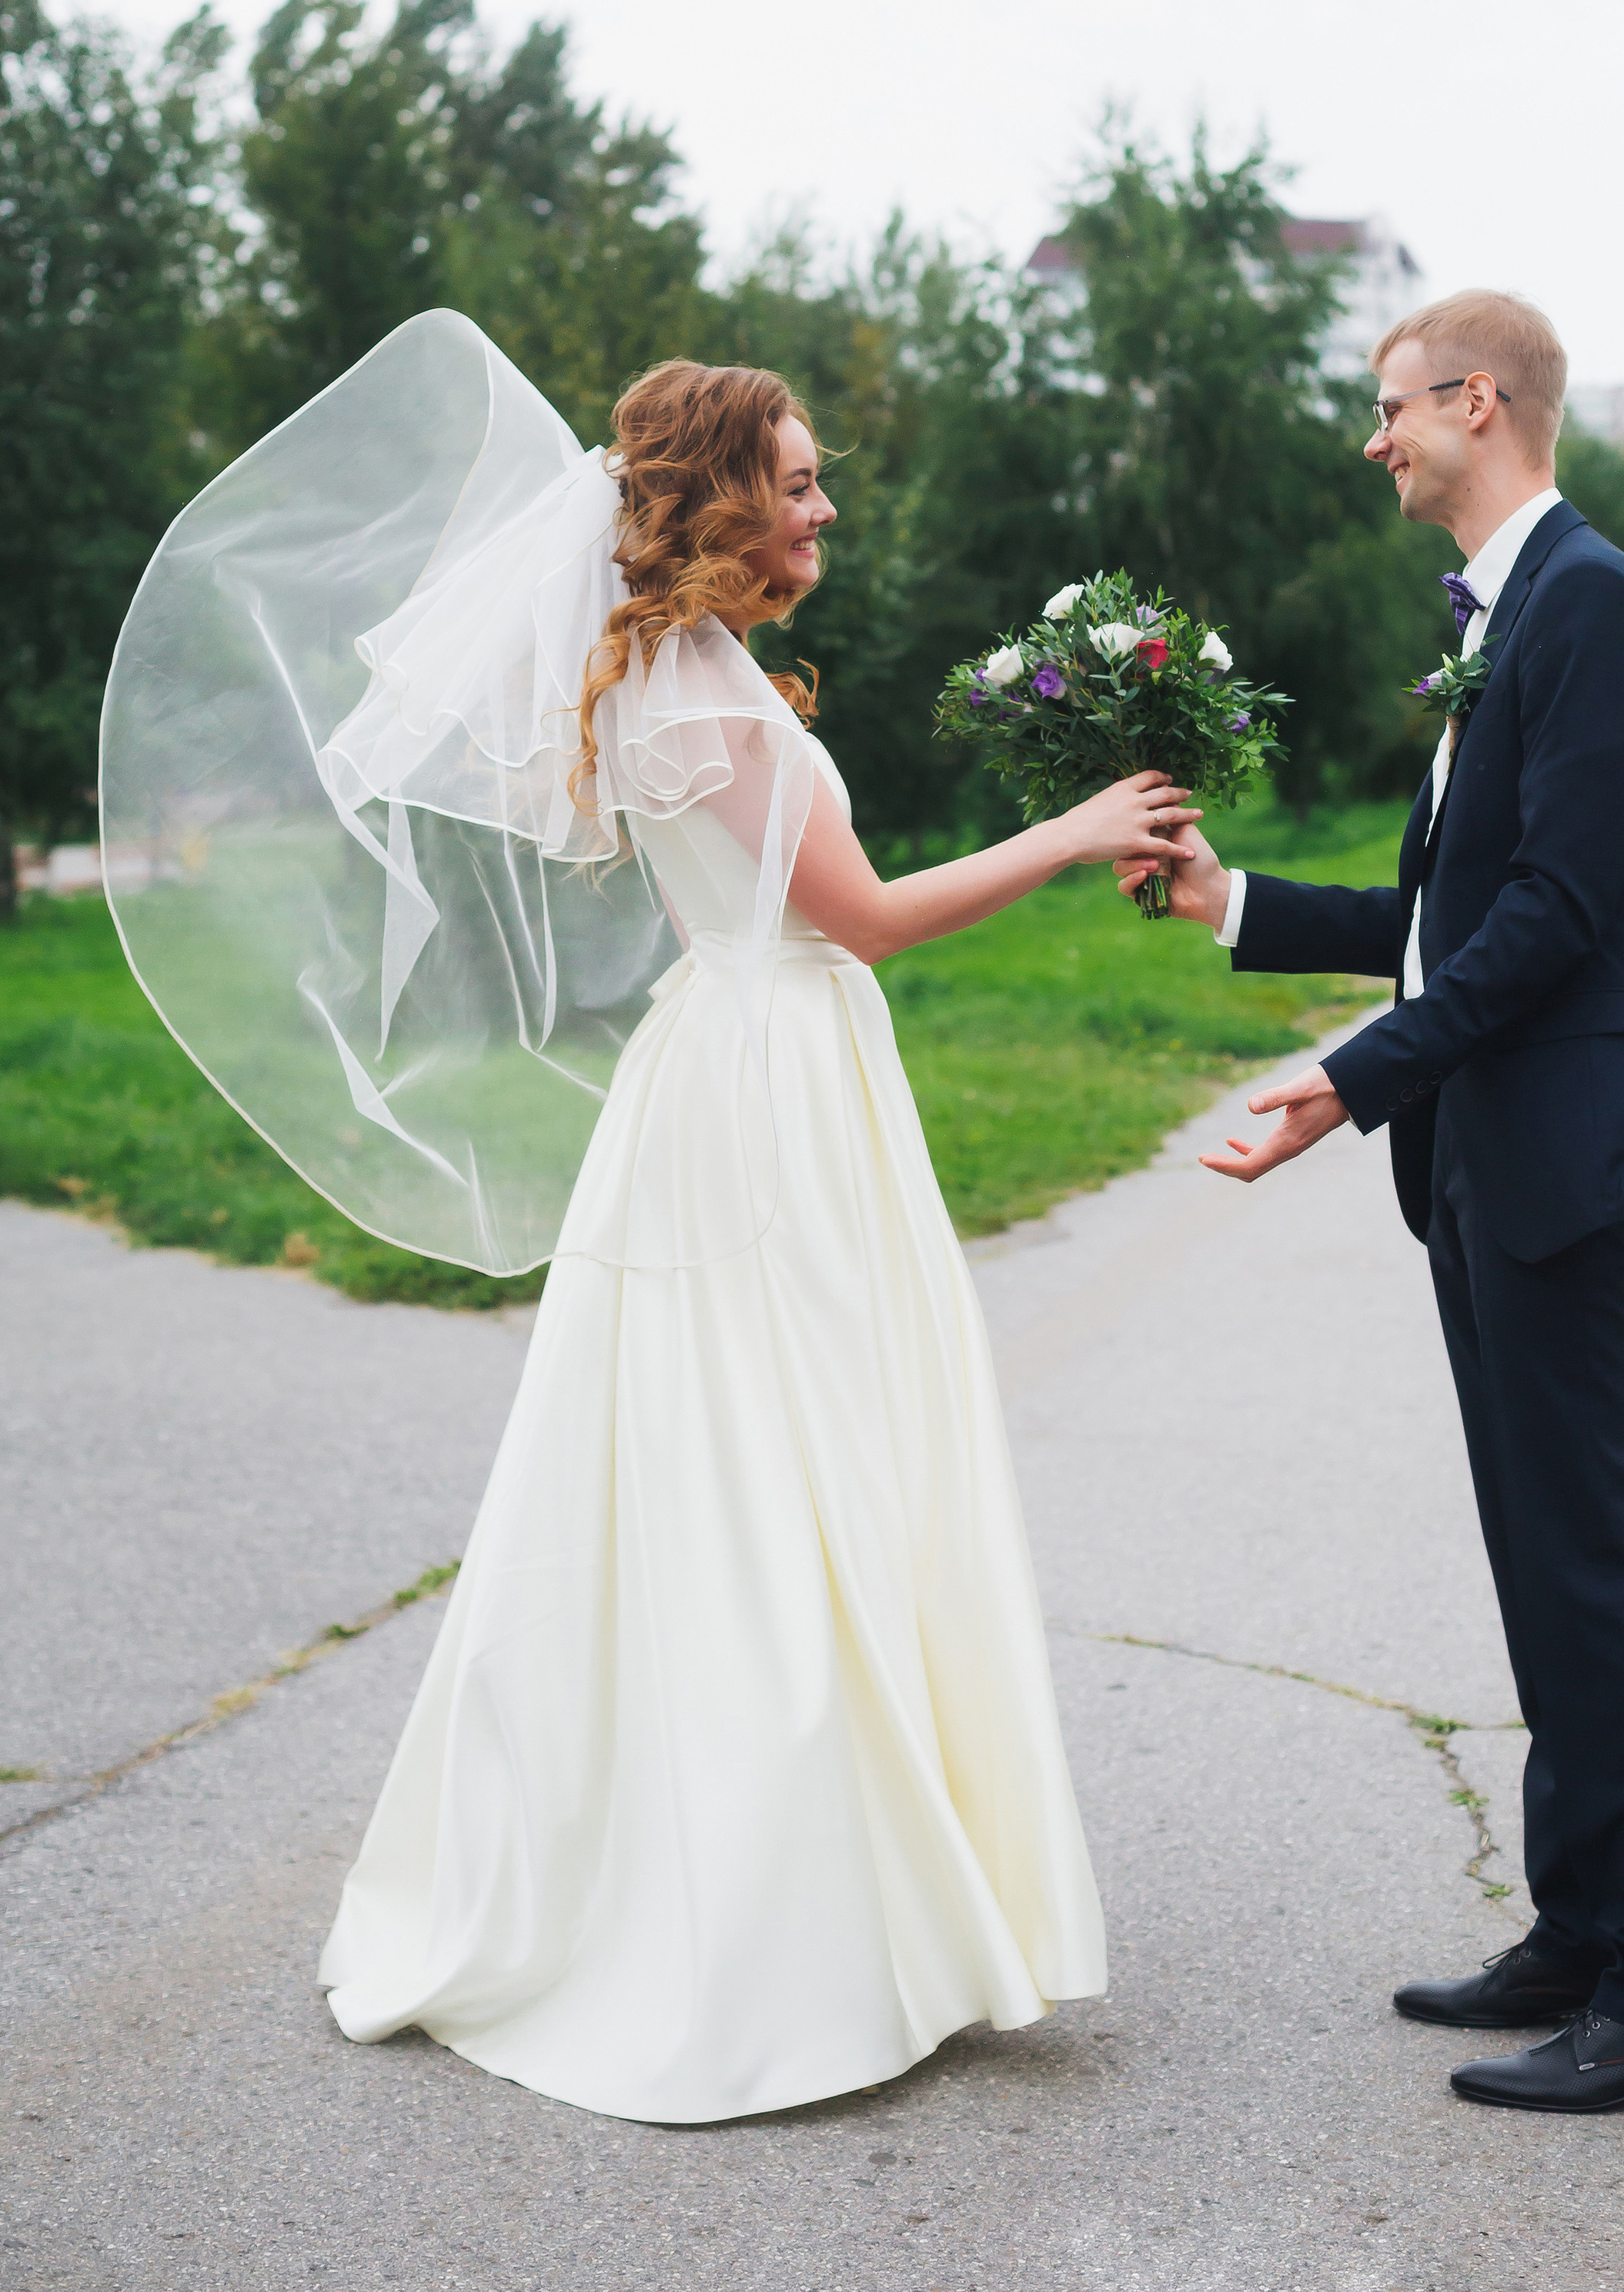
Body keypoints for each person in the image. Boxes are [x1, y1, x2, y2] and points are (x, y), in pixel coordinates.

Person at [270, 333, 1194, 2122]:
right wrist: (1072, 829)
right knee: (782, 1467)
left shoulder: (695, 672)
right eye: (798, 477)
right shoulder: (691, 696)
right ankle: (788, 1919)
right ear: (719, 502)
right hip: (766, 1083)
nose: (825, 502)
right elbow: (858, 919)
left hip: (756, 1065)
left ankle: (841, 1879)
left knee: (775, 1455)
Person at [1122, 289, 1624, 2117]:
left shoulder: (1589, 610)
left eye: (1388, 410)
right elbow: (1447, 908)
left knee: (1585, 1566)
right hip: (1496, 1161)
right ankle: (1583, 1926)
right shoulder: (1513, 616)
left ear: (1473, 402)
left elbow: (1554, 923)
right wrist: (1232, 903)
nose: (1374, 440)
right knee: (1537, 1559)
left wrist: (1347, 1085)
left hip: (1565, 1162)